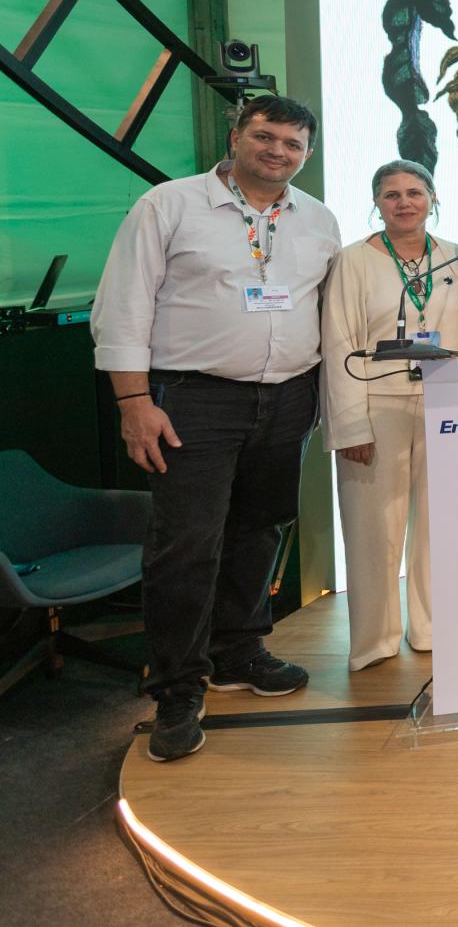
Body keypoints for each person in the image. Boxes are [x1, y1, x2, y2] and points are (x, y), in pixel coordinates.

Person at [92, 94, 342, 762]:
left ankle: (239, 651)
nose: (278, 152)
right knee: (186, 545)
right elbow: (122, 306)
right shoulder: (168, 205)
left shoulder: (318, 220)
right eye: (265, 137)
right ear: (236, 136)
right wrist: (133, 401)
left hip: (287, 398)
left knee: (258, 531)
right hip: (193, 400)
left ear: (307, 154)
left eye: (293, 144)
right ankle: (177, 687)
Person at [322, 160, 458, 671]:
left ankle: (429, 627)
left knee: (438, 525)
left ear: (432, 198)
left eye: (414, 192)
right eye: (391, 195)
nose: (403, 202)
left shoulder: (455, 257)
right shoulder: (353, 261)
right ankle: (374, 640)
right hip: (375, 407)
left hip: (445, 405)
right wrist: (350, 425)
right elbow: (338, 343)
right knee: (372, 530)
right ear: (376, 203)